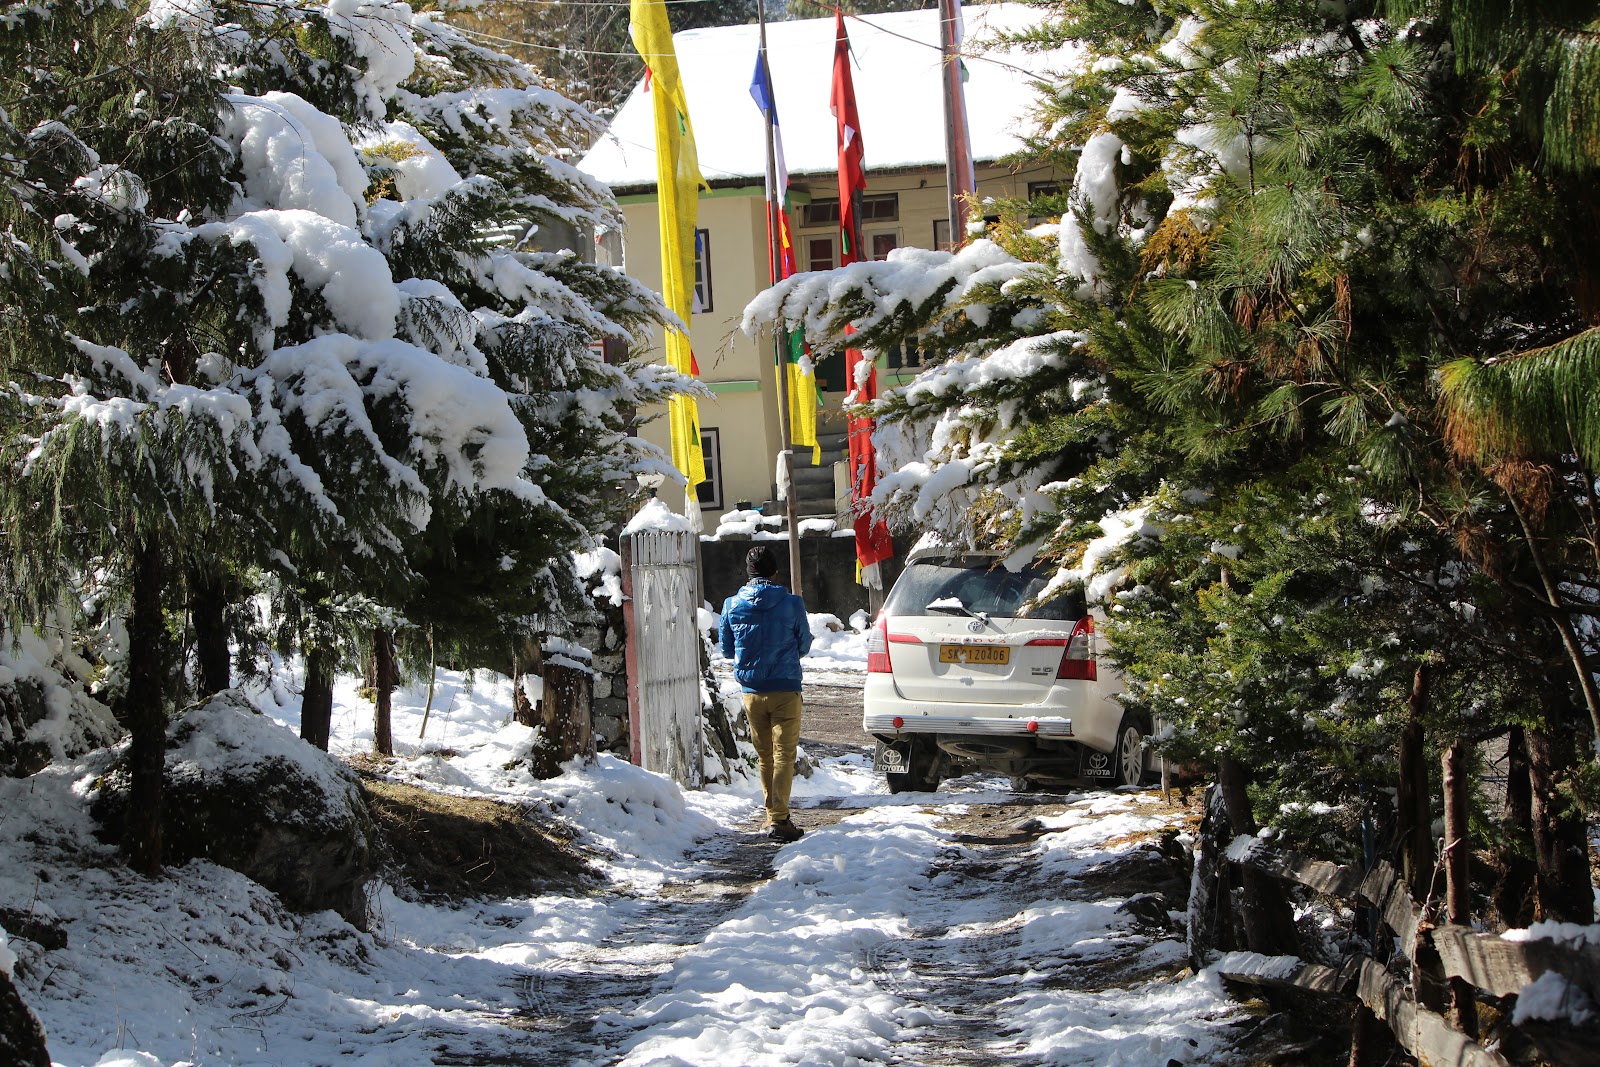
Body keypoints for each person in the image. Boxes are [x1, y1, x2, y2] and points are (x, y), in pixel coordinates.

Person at [720, 545, 812, 842]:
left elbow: (727, 649)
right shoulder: (792, 603)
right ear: (775, 572)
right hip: (786, 688)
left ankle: (773, 814)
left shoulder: (732, 604)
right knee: (784, 755)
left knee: (765, 757)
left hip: (752, 692)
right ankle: (779, 819)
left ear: (748, 574)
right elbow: (805, 645)